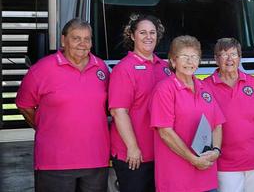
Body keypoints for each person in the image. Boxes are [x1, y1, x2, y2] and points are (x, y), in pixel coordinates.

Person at [16, 18, 110, 192]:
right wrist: (44, 127)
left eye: (87, 38)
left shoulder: (101, 68)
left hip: (96, 160)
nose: (82, 44)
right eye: (76, 38)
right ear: (63, 40)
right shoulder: (41, 69)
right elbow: (24, 105)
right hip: (55, 163)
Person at [150, 36, 226, 192]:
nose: (190, 61)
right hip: (177, 179)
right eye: (184, 57)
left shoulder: (204, 87)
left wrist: (216, 151)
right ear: (172, 61)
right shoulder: (164, 89)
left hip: (206, 175)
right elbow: (165, 132)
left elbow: (217, 124)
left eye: (194, 57)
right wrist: (193, 159)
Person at [204, 38, 254, 192]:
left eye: (233, 54)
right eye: (224, 55)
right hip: (225, 162)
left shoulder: (253, 83)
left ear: (240, 57)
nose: (229, 59)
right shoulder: (205, 86)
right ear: (216, 59)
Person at [108, 14, 169, 192]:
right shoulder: (124, 69)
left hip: (159, 153)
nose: (148, 37)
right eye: (142, 32)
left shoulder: (164, 68)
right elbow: (119, 112)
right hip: (134, 155)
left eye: (152, 32)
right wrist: (133, 147)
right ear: (133, 36)